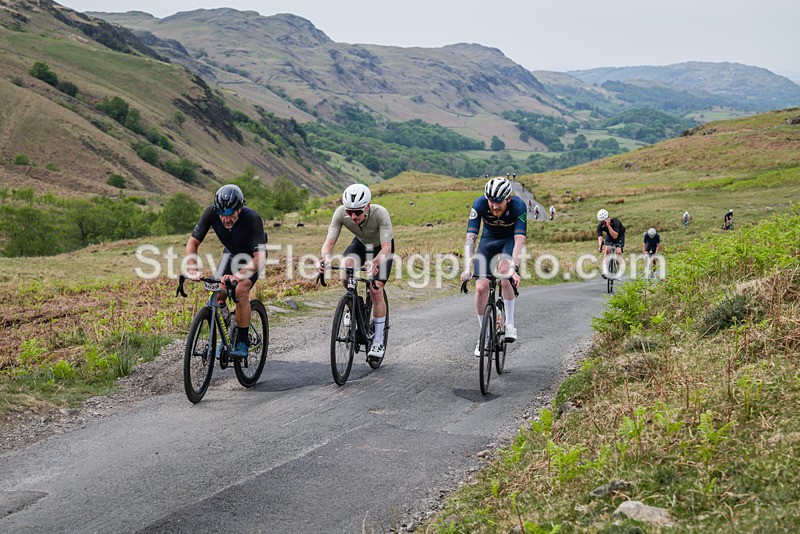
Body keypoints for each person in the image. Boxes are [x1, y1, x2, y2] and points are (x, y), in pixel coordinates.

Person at [184, 184, 268, 358]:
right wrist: (192, 269)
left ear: (239, 208)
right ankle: (228, 327)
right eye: (222, 214)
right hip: (231, 254)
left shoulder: (252, 218)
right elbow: (193, 242)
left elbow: (259, 258)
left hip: (252, 258)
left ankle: (242, 341)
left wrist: (237, 276)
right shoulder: (211, 213)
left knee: (240, 290)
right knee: (217, 291)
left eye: (230, 214)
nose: (225, 219)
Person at [318, 184, 394, 361]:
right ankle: (354, 303)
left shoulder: (380, 213)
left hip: (381, 249)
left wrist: (375, 262)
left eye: (358, 212)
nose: (353, 216)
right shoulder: (340, 213)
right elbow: (329, 243)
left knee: (376, 289)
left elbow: (387, 248)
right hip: (360, 244)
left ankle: (378, 341)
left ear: (367, 206)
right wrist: (325, 259)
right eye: (349, 211)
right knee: (345, 266)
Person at [460, 176, 527, 355]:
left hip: (509, 242)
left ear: (508, 199)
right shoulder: (479, 204)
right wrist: (467, 267)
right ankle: (485, 336)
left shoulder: (519, 206)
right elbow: (471, 238)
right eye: (491, 202)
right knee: (481, 288)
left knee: (505, 273)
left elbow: (519, 240)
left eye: (499, 202)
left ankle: (510, 324)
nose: (495, 206)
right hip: (488, 242)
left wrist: (514, 269)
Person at [596, 208, 625, 278]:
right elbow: (600, 237)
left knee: (618, 252)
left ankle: (619, 271)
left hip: (619, 236)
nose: (604, 223)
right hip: (609, 236)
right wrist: (600, 246)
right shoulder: (600, 226)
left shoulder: (615, 222)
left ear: (608, 217)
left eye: (605, 220)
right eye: (602, 221)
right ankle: (605, 271)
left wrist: (608, 226)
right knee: (607, 250)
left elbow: (615, 236)